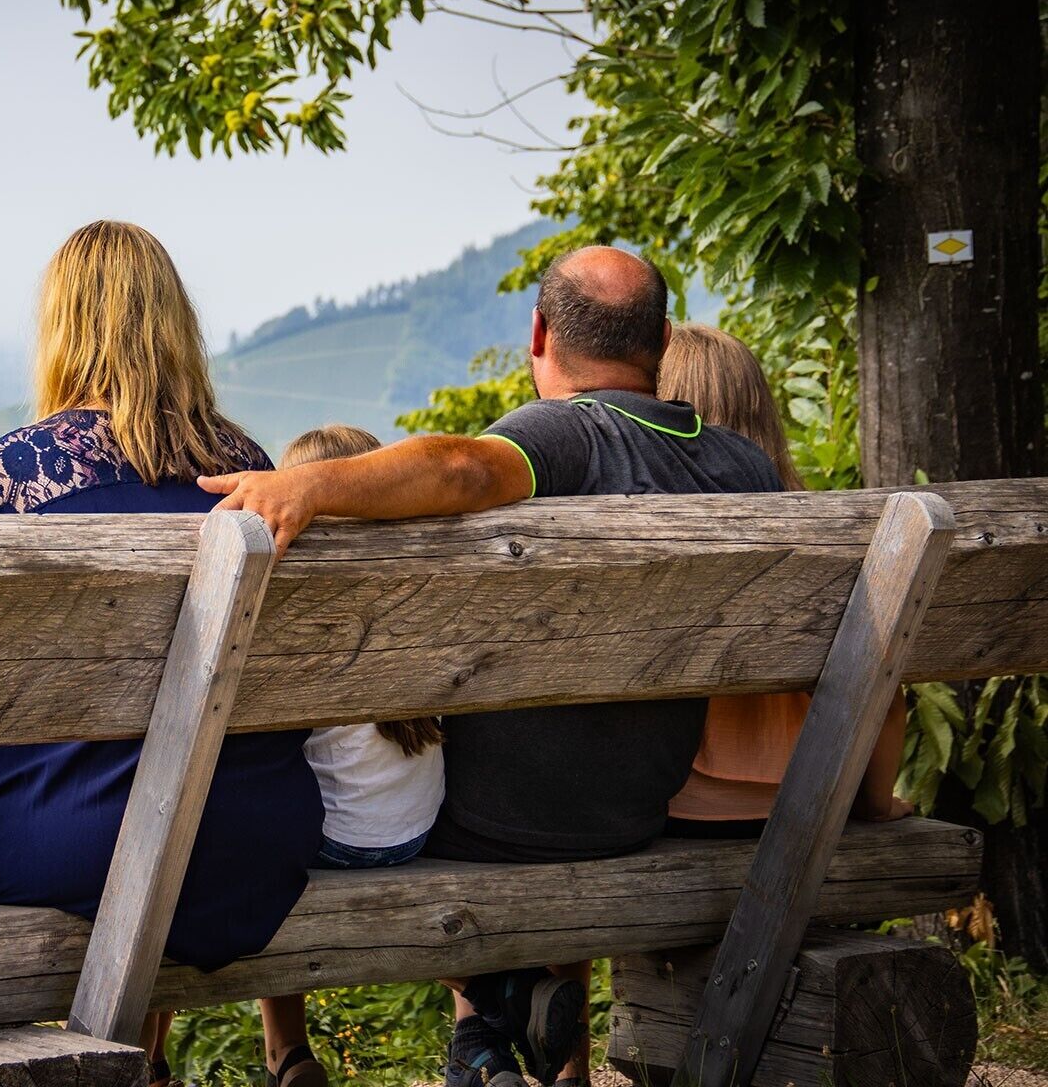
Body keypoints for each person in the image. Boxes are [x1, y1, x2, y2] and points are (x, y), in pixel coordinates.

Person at [199, 246, 786, 1087]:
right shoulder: (745, 467)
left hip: (492, 820)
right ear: (660, 341)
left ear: (540, 333)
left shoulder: (572, 432)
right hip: (632, 810)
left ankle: (487, 1016)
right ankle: (504, 1019)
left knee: (385, 774)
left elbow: (463, 466)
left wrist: (312, 488)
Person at [0, 220, 324, 1087]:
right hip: (251, 841)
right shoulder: (249, 471)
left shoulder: (14, 478)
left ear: (63, 329)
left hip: (76, 847)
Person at [658, 323, 913, 837]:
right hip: (810, 799)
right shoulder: (836, 540)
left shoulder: (658, 543)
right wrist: (877, 805)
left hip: (679, 806)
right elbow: (888, 693)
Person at [253, 424, 448, 1087]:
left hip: (344, 846)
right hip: (419, 833)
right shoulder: (418, 609)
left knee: (268, 823)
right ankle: (485, 1019)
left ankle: (287, 1048)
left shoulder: (306, 627)